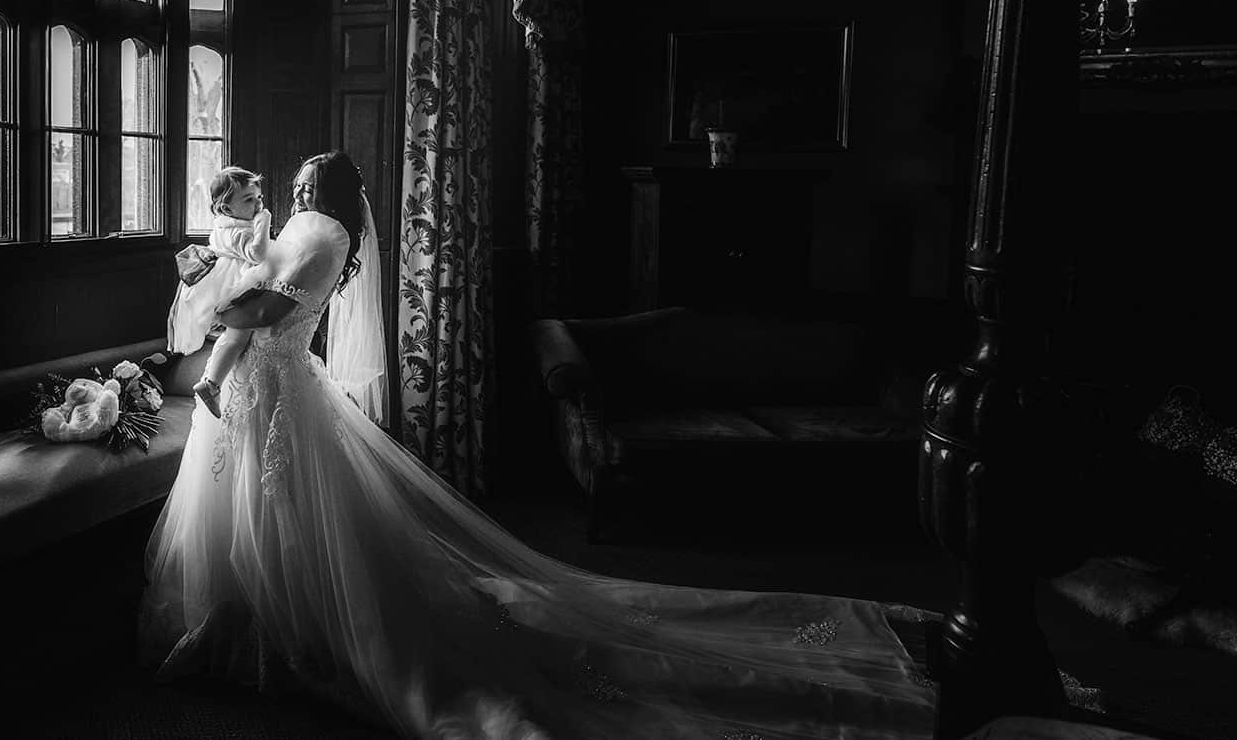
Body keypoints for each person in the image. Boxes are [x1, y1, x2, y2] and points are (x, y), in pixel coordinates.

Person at [141, 150, 937, 739]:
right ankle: (259, 621)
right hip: (256, 388)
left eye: (312, 180)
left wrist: (219, 293)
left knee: (290, 513)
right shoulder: (293, 226)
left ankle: (300, 630)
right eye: (299, 180)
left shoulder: (319, 234)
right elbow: (246, 281)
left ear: (334, 194)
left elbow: (264, 312)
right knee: (257, 512)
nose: (297, 187)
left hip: (277, 388)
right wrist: (218, 274)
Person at [166, 166, 272, 417]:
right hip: (232, 285)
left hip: (235, 282)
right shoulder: (235, 231)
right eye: (248, 200)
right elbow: (258, 254)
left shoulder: (231, 224)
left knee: (243, 333)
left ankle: (213, 381)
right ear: (226, 208)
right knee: (238, 334)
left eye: (259, 198)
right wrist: (263, 223)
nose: (257, 205)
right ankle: (211, 383)